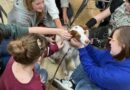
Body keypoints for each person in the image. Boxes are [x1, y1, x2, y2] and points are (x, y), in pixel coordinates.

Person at [52, 26, 130, 90]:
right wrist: (86, 46)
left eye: (112, 40)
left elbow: (92, 72)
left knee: (84, 85)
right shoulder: (120, 53)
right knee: (88, 59)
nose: (109, 42)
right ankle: (72, 83)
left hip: (107, 82)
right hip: (106, 77)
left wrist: (81, 48)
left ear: (123, 45)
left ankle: (76, 86)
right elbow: (99, 56)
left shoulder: (122, 76)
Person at [0, 23, 71, 76]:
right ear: (38, 59)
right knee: (44, 73)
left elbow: (27, 30)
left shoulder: (12, 61)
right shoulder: (35, 85)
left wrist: (58, 31)